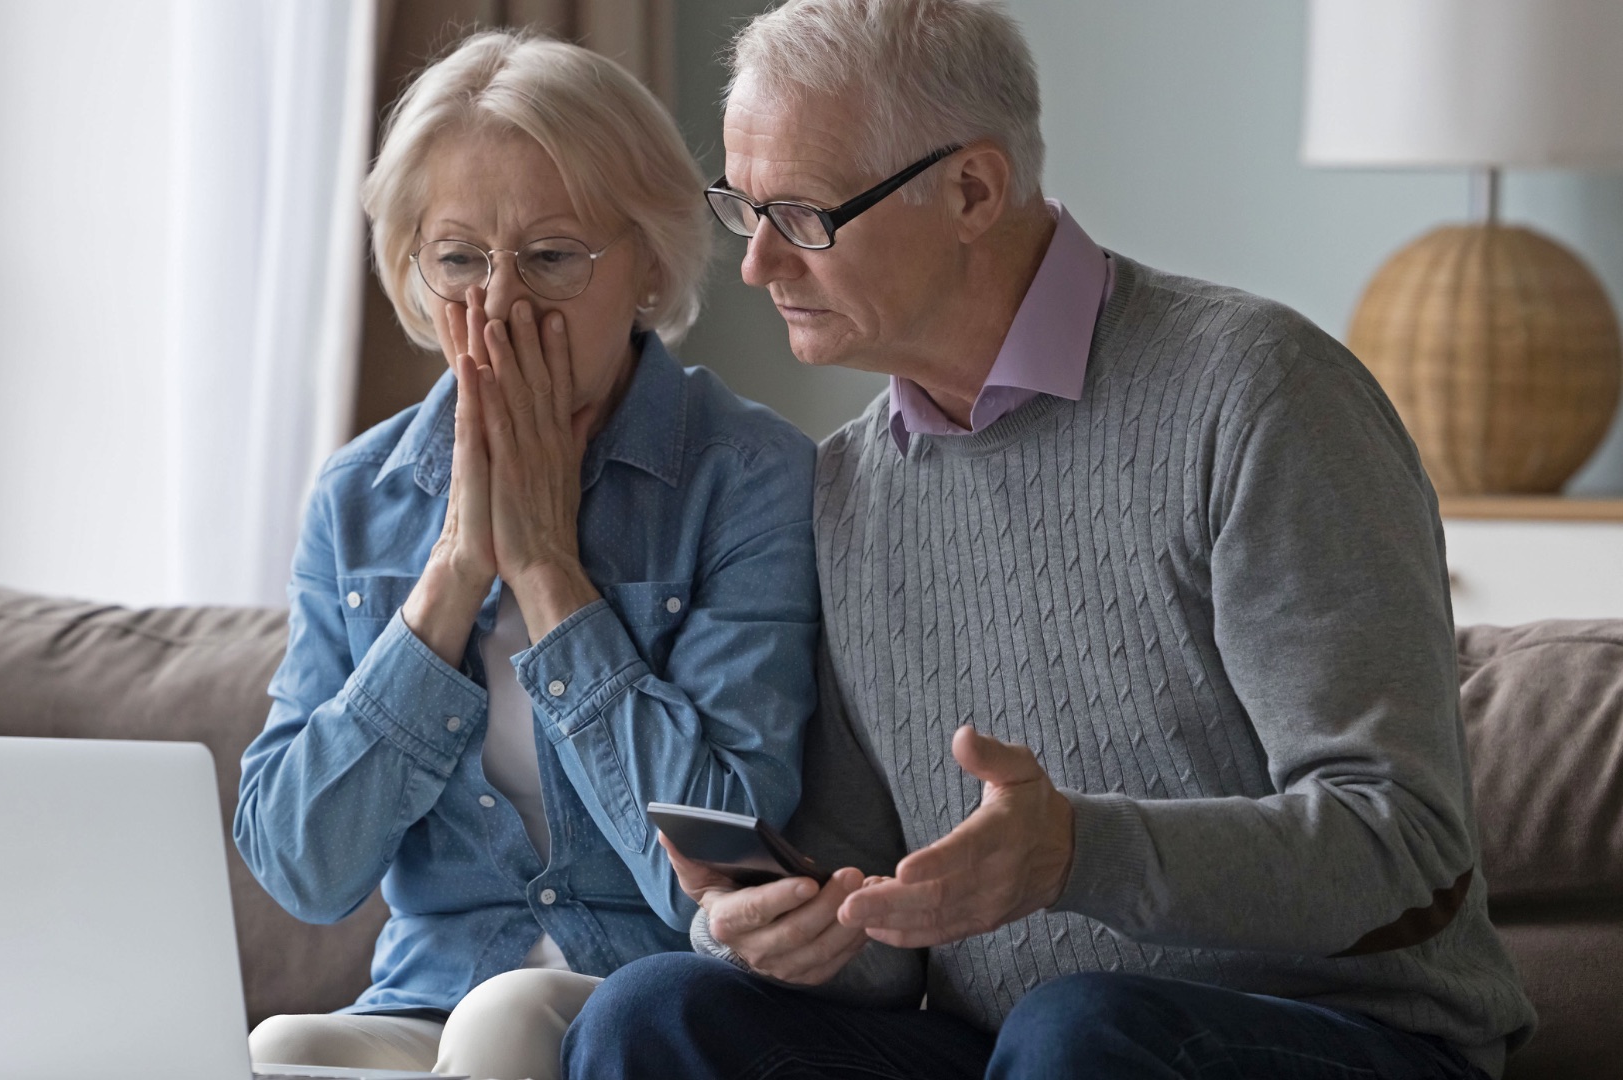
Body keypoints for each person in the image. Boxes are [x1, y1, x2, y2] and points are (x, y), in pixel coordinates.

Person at [564, 2, 1536, 1078]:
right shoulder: (849, 487)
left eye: (799, 214)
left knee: (1078, 1031)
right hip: (1022, 1049)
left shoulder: (1258, 398)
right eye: (743, 212)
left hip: (1345, 1034)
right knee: (654, 1012)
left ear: (972, 190)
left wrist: (1078, 852)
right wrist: (789, 925)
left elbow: (1405, 847)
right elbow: (884, 943)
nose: (757, 267)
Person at [232, 30, 820, 1080]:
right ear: (415, 273)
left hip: (646, 995)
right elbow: (301, 867)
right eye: (459, 259)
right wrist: (456, 572)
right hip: (430, 990)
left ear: (644, 261)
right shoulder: (360, 499)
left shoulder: (752, 479)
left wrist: (551, 575)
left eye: (552, 257)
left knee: (502, 1025)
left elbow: (716, 873)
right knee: (284, 1047)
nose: (499, 306)